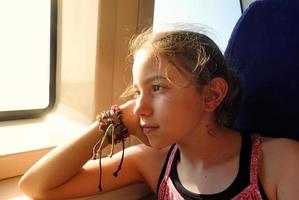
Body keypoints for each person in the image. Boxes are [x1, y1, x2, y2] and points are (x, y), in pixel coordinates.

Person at [18, 27, 299, 200]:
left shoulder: (279, 161)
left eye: (156, 87)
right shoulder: (153, 163)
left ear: (212, 95)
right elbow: (37, 185)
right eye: (138, 92)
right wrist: (113, 120)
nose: (138, 108)